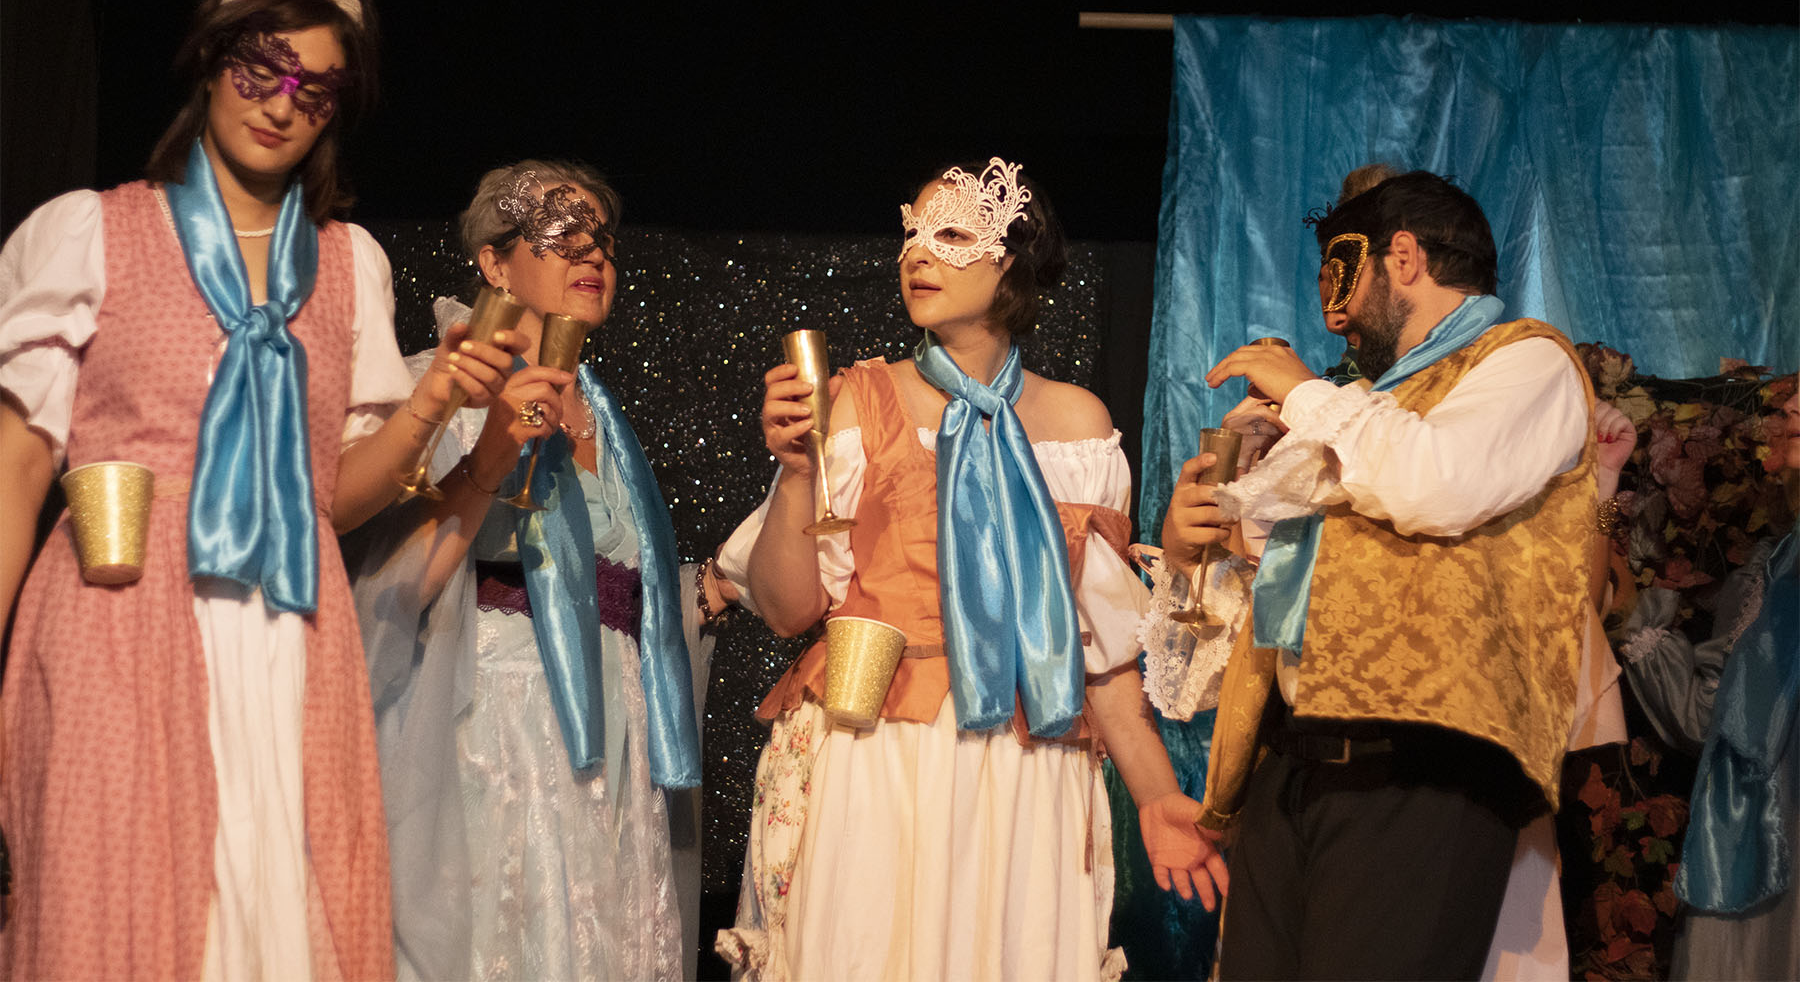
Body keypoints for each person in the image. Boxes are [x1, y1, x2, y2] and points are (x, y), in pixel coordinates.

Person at [0, 0, 514, 979]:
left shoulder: (346, 264)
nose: (281, 104)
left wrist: (432, 404)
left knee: (272, 907)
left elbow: (334, 498)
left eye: (313, 90)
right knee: (116, 898)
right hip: (119, 615)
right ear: (209, 60)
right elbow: (17, 469)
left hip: (291, 632)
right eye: (261, 68)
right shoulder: (90, 234)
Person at [714, 158, 1220, 981]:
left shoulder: (1076, 425)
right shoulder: (856, 399)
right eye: (911, 232)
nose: (917, 253)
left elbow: (1099, 650)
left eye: (949, 233)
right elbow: (785, 607)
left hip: (1027, 766)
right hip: (882, 751)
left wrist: (1159, 797)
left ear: (1009, 260)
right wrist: (798, 474)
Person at [1165, 170, 1596, 979]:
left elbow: (1438, 482)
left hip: (1418, 770)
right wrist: (1208, 535)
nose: (1335, 315)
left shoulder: (1526, 361)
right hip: (1292, 766)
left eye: (1341, 276)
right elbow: (1286, 593)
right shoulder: (1362, 406)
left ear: (1402, 258)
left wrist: (1307, 397)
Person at [351, 160, 701, 981]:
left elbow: (626, 599)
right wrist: (492, 452)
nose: (593, 254)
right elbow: (397, 584)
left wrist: (709, 591)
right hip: (499, 729)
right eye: (561, 235)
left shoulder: (604, 417)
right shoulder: (439, 388)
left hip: (612, 736)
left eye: (603, 240)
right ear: (495, 262)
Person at [1619, 379, 1798, 979]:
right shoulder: (1772, 569)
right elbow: (1714, 715)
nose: (1791, 406)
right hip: (1765, 843)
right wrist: (1635, 610)